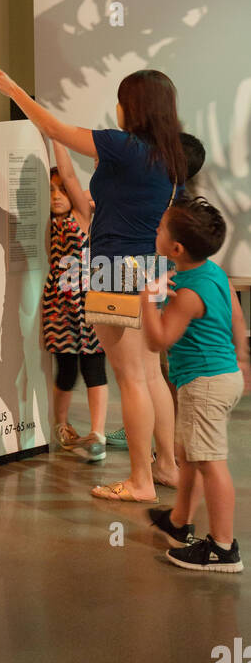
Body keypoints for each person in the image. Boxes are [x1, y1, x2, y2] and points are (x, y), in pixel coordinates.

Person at [0, 62, 185, 503]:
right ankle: (166, 466)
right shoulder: (169, 156)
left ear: (132, 106)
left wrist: (14, 89)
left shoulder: (122, 146)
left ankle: (140, 481)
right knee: (150, 376)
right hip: (151, 270)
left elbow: (54, 127)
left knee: (130, 378)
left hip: (113, 269)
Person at [141, 197, 245, 571]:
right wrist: (241, 359)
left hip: (203, 385)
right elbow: (235, 314)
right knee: (191, 456)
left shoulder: (184, 294)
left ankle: (222, 547)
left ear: (176, 248)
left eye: (160, 228)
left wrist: (148, 301)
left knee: (210, 464)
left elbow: (157, 341)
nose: (156, 230)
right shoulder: (213, 272)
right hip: (221, 377)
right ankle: (179, 522)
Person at [106, 131, 206, 449]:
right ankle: (164, 456)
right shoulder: (173, 194)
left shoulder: (164, 194)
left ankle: (149, 465)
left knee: (139, 373)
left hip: (135, 271)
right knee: (151, 370)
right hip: (153, 274)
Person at [40, 140, 107, 461]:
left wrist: (56, 136)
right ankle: (62, 426)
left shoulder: (80, 217)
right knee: (66, 369)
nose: (55, 196)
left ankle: (97, 432)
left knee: (94, 367)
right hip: (59, 306)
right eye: (50, 191)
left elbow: (70, 176)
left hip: (88, 302)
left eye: (61, 190)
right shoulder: (47, 224)